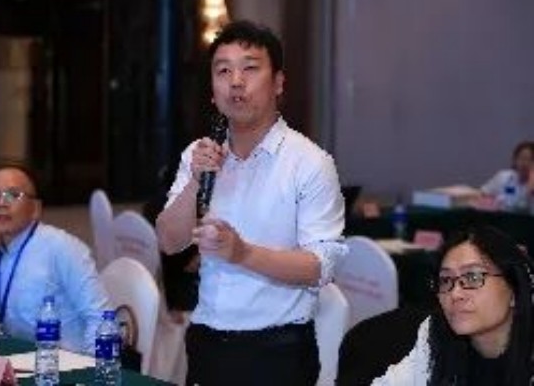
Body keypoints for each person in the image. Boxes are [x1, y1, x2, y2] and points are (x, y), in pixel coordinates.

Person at [155, 20, 346, 386]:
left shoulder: (310, 163)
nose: (236, 81)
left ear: (278, 83)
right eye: (223, 71)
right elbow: (169, 241)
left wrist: (242, 253)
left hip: (277, 349)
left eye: (250, 68)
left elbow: (321, 267)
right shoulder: (199, 155)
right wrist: (195, 180)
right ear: (213, 91)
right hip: (206, 339)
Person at [0, 165, 110, 354]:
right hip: (17, 359)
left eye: (13, 195)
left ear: (35, 209)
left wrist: (94, 368)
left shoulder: (62, 247)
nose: (1, 203)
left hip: (67, 361)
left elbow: (100, 318)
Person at [372, 225, 534, 385]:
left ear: (515, 291)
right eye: (446, 280)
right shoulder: (434, 333)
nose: (455, 294)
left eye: (473, 277)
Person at [481, 141, 534, 209]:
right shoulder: (503, 177)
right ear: (515, 160)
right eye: (522, 158)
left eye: (530, 160)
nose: (525, 163)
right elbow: (483, 193)